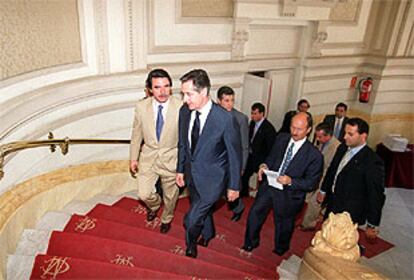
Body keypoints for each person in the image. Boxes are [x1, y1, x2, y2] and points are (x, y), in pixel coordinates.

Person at [176, 69, 241, 258]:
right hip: (191, 175)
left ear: (204, 92)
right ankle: (209, 232)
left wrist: (234, 186)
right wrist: (180, 169)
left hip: (214, 179)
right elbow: (182, 144)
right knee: (198, 206)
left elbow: (235, 155)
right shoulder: (185, 112)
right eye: (183, 94)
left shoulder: (225, 119)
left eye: (189, 94)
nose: (185, 99)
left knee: (191, 219)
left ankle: (190, 245)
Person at [242, 112, 323, 256]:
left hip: (289, 194)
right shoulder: (281, 138)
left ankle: (281, 248)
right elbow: (271, 158)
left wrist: (291, 181)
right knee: (255, 213)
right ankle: (250, 242)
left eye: (299, 129)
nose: (294, 132)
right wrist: (264, 165)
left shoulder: (314, 155)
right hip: (269, 186)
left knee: (284, 223)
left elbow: (311, 183)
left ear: (309, 130)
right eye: (292, 127)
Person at [130, 69, 182, 234]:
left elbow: (187, 140)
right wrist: (133, 158)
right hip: (149, 158)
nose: (163, 91)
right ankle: (154, 205)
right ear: (150, 89)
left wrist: (183, 166)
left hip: (171, 160)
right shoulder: (141, 106)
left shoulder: (181, 107)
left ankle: (166, 218)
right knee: (144, 194)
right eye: (158, 87)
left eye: (166, 86)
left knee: (171, 197)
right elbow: (136, 133)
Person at [317, 118, 386, 243]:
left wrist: (372, 224)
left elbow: (376, 195)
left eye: (350, 134)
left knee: (339, 244)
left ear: (363, 136)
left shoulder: (372, 161)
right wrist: (323, 190)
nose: (344, 137)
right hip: (333, 202)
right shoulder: (342, 148)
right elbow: (333, 170)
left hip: (350, 211)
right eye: (345, 133)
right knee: (326, 235)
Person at [216, 86, 249, 221]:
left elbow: (244, 146)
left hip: (233, 162)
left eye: (232, 100)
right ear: (219, 101)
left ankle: (238, 208)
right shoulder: (214, 115)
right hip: (218, 160)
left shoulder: (241, 118)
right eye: (226, 100)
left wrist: (242, 167)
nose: (230, 104)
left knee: (231, 188)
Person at [300, 122, 340, 230]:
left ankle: (308, 225)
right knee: (307, 198)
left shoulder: (336, 147)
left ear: (328, 136)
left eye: (320, 137)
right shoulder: (322, 143)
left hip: (325, 178)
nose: (317, 139)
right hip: (315, 175)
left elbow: (331, 168)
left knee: (315, 202)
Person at [240, 103, 276, 213]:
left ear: (262, 113)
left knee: (263, 181)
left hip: (261, 159)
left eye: (255, 113)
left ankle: (261, 199)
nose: (252, 116)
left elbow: (270, 147)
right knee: (245, 175)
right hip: (251, 156)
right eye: (252, 113)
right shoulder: (252, 124)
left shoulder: (269, 128)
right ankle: (243, 193)